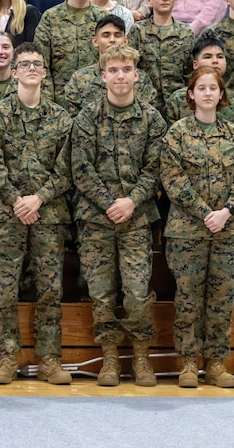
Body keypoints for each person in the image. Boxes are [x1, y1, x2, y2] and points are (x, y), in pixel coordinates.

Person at [70, 43, 165, 386]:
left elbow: (156, 168)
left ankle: (141, 357)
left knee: (137, 292)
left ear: (136, 75)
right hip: (96, 219)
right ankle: (109, 358)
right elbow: (80, 169)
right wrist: (110, 202)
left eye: (126, 69)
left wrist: (131, 201)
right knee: (101, 292)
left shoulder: (152, 118)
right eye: (113, 70)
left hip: (136, 219)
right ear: (103, 76)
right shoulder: (87, 117)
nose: (120, 75)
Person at [0, 41, 73, 386]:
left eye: (38, 64)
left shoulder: (62, 118)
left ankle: (49, 358)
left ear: (45, 74)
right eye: (26, 64)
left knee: (50, 288)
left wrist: (39, 199)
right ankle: (7, 356)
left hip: (49, 214)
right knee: (5, 288)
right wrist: (18, 199)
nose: (32, 68)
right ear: (14, 72)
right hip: (6, 213)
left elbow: (67, 169)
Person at [160, 65, 234, 388]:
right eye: (202, 88)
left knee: (222, 298)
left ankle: (215, 363)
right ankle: (188, 363)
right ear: (191, 94)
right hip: (188, 231)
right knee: (188, 297)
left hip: (229, 231)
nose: (208, 94)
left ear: (222, 94)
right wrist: (205, 212)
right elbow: (173, 180)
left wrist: (226, 211)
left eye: (214, 88)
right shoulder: (177, 133)